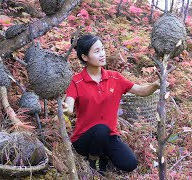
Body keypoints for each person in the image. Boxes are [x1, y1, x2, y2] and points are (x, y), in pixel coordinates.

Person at [63, 34, 160, 174]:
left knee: (130, 163)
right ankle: (92, 160)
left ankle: (103, 156)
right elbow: (69, 107)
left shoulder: (115, 77)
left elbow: (140, 91)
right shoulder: (76, 81)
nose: (102, 54)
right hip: (84, 139)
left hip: (109, 136)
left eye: (102, 49)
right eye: (97, 51)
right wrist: (65, 109)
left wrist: (155, 85)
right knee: (101, 129)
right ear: (85, 57)